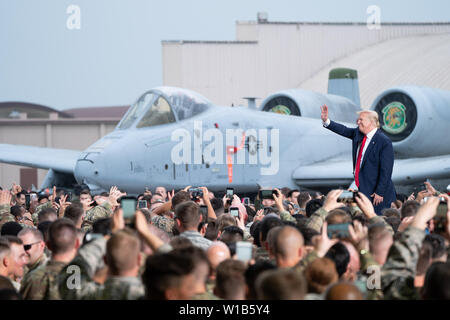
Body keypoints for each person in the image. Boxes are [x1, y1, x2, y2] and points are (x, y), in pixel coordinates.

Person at [321, 105, 396, 214]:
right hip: (361, 188)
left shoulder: (384, 141)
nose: (358, 122)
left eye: (361, 119)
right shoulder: (358, 134)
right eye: (358, 119)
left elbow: (386, 170)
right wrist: (326, 121)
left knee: (375, 221)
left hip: (376, 194)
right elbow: (344, 130)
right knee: (354, 212)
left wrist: (380, 192)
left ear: (372, 122)